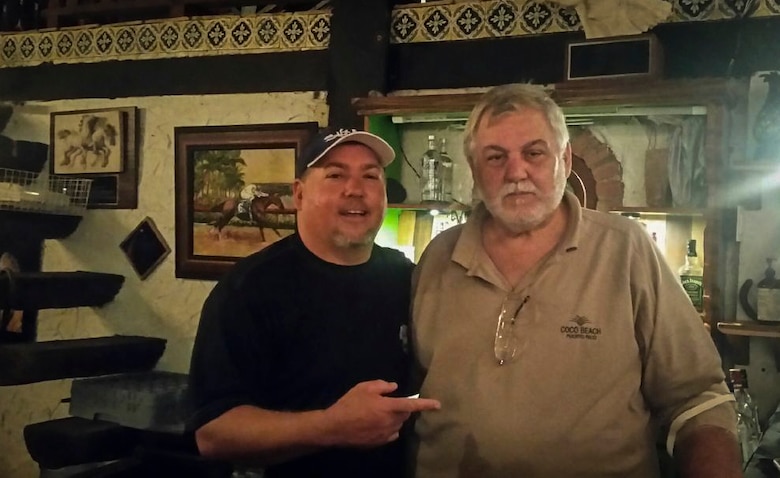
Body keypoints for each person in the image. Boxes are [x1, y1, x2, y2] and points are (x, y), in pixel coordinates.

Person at [409, 84, 742, 478]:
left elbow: (698, 399)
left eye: (534, 153)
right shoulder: (438, 258)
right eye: (495, 157)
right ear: (474, 169)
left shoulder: (625, 250)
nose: (516, 172)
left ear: (564, 159)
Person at [188, 127, 441, 478]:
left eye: (370, 176)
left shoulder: (406, 277)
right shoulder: (249, 288)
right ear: (299, 194)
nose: (355, 189)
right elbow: (213, 433)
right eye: (335, 175)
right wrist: (331, 426)